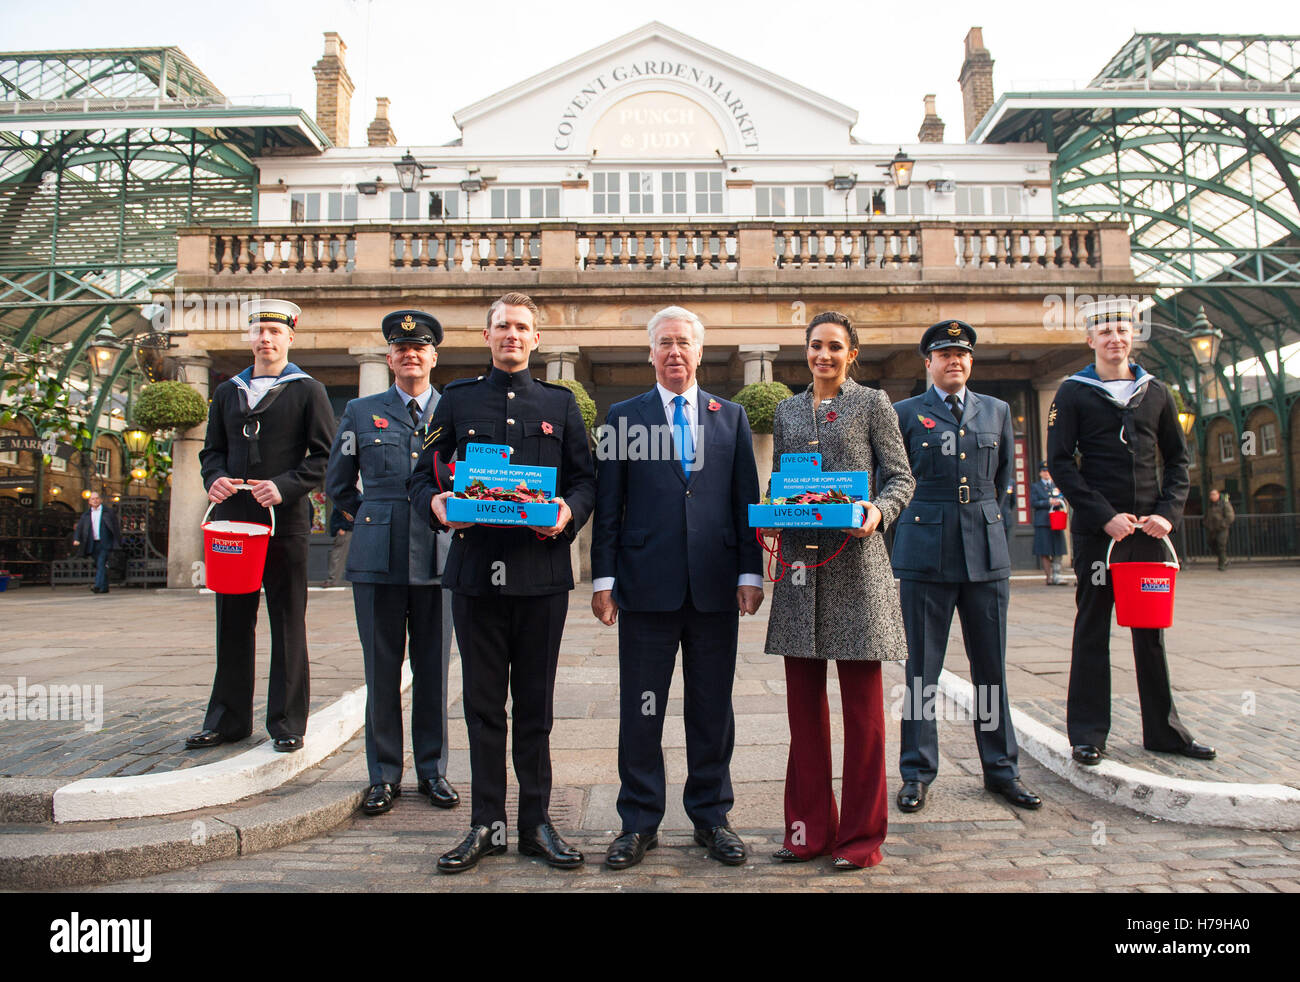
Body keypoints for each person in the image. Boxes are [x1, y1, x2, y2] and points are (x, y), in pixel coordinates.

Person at [409, 291, 595, 873]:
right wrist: (439, 505)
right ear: (486, 336)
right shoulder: (458, 401)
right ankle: (487, 826)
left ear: (536, 339)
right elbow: (422, 478)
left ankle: (537, 825)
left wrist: (567, 513)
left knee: (535, 709)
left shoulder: (561, 404)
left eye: (521, 327)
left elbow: (586, 481)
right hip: (475, 577)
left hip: (540, 578)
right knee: (484, 708)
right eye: (502, 327)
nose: (511, 335)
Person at [591, 305, 764, 871]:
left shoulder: (730, 417)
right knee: (642, 710)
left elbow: (745, 500)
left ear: (699, 351)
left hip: (716, 587)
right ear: (650, 353)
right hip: (645, 588)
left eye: (683, 343)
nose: (674, 352)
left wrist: (749, 571)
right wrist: (604, 579)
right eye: (664, 342)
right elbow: (609, 506)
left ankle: (712, 817)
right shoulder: (623, 416)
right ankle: (639, 821)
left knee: (712, 708)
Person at [761, 312, 915, 870]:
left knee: (864, 715)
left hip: (857, 566)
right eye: (815, 346)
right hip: (802, 570)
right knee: (803, 713)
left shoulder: (873, 404)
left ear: (852, 354)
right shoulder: (785, 410)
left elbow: (901, 475)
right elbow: (783, 481)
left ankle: (859, 841)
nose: (823, 355)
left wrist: (879, 509)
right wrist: (775, 510)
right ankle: (806, 833)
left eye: (834, 347)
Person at [1047, 299, 1215, 766]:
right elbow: (1061, 463)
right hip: (1099, 533)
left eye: (1122, 331)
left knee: (1150, 630)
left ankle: (1165, 731)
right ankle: (1087, 734)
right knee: (1092, 626)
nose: (1114, 339)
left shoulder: (1156, 390)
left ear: (1132, 337)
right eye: (1105, 333)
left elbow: (1178, 460)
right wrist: (1103, 516)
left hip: (1146, 532)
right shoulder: (1072, 392)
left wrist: (1168, 512)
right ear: (1090, 341)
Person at [891, 320, 1042, 813]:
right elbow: (891, 483)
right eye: (944, 353)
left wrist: (988, 524)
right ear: (928, 363)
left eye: (962, 353)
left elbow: (1000, 484)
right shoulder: (905, 413)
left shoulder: (996, 411)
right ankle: (916, 773)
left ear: (971, 362)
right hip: (924, 555)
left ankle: (1001, 770)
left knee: (991, 671)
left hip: (985, 552)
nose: (954, 360)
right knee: (921, 674)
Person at [187, 299, 336, 754]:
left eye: (275, 331)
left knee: (287, 620)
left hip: (284, 521)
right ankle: (228, 721)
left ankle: (288, 722)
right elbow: (211, 451)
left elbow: (323, 457)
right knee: (232, 619)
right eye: (259, 331)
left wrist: (286, 486)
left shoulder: (308, 390)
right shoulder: (227, 391)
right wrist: (214, 480)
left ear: (291, 337)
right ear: (249, 337)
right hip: (233, 520)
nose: (266, 339)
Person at [326, 309, 459, 816]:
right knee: (381, 671)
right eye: (402, 348)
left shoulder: (454, 410)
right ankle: (383, 776)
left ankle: (433, 771)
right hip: (378, 559)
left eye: (420, 347)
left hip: (440, 554)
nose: (411, 354)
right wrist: (372, 519)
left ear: (432, 356)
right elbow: (338, 485)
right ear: (390, 357)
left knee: (433, 671)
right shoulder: (361, 411)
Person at [72, 490, 120, 594]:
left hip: (105, 542)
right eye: (92, 499)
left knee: (101, 562)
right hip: (92, 543)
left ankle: (97, 585)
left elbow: (115, 528)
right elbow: (79, 528)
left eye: (97, 498)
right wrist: (76, 539)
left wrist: (116, 542)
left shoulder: (108, 512)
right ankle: (104, 588)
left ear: (101, 500)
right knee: (100, 565)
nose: (95, 501)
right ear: (89, 501)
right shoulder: (86, 515)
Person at [1030, 462, 1070, 585]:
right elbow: (1034, 502)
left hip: (1056, 521)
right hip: (1042, 521)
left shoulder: (1056, 486)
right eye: (1044, 471)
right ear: (1040, 473)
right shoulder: (1035, 487)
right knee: (1045, 550)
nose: (1046, 473)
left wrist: (1059, 501)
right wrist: (1048, 502)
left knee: (1058, 549)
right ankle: (1049, 577)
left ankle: (1057, 574)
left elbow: (1064, 498)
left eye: (1048, 471)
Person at [1203, 488, 1235, 571]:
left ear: (1218, 495)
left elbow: (1230, 516)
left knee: (1221, 545)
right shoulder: (1210, 505)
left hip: (1222, 528)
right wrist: (1206, 523)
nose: (1212, 496)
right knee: (1211, 543)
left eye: (1214, 494)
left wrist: (1223, 524)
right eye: (1211, 495)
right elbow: (1207, 515)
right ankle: (1224, 559)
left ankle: (1222, 565)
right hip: (1212, 528)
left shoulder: (1224, 504)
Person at [321, 506, 352, 588]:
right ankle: (333, 580)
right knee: (337, 555)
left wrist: (343, 527)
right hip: (344, 530)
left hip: (345, 531)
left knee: (337, 555)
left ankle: (332, 580)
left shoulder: (347, 499)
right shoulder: (343, 500)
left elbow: (349, 515)